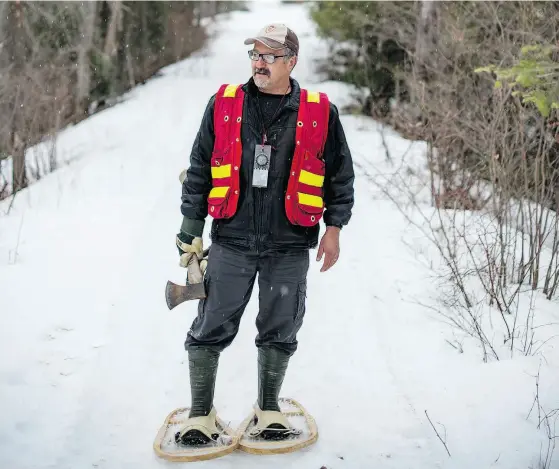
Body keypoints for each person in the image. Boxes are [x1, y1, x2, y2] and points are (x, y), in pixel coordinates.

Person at [174, 23, 355, 445]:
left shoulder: (319, 112)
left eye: (270, 55)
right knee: (210, 323)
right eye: (255, 54)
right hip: (232, 239)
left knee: (281, 326)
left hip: (289, 242)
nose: (260, 62)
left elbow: (339, 175)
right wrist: (189, 229)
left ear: (292, 61)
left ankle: (268, 409)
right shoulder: (224, 104)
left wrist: (335, 228)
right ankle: (200, 414)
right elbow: (200, 167)